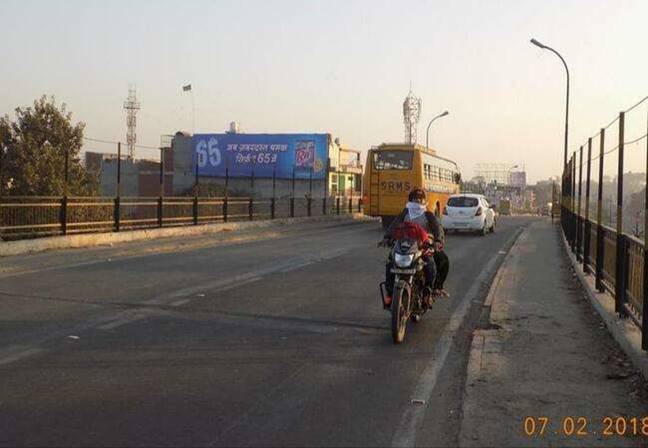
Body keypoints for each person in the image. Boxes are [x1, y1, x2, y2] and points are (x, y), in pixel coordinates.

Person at [381, 188, 447, 307]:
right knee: (390, 263)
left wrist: (438, 240)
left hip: (422, 248)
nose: (418, 201)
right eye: (415, 199)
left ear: (424, 201)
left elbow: (438, 228)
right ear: (410, 200)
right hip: (404, 247)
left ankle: (428, 292)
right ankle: (390, 294)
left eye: (420, 199)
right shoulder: (405, 214)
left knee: (430, 265)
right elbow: (394, 225)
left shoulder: (428, 215)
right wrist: (387, 238)